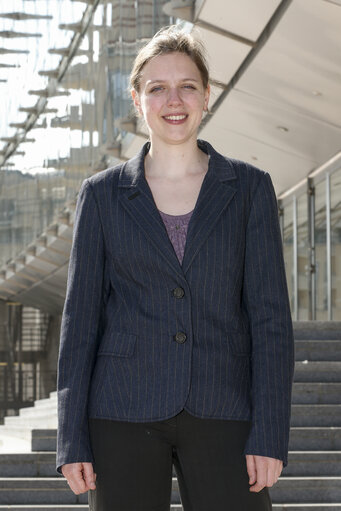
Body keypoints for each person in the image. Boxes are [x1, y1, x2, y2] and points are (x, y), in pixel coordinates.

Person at [56, 25, 295, 511]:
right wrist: (72, 439)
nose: (173, 99)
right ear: (137, 99)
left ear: (207, 96)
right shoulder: (101, 195)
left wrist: (270, 433)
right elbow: (80, 321)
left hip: (225, 405)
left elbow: (270, 320)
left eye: (187, 85)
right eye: (157, 87)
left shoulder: (250, 189)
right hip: (122, 408)